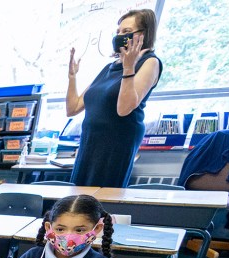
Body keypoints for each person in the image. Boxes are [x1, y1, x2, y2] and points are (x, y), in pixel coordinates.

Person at [67, 9, 162, 188]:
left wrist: (128, 68)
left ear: (143, 35)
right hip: (90, 143)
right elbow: (72, 108)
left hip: (115, 144)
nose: (119, 36)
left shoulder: (150, 62)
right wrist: (72, 78)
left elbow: (124, 108)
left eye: (126, 32)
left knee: (102, 203)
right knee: (78, 201)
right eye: (118, 32)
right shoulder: (109, 68)